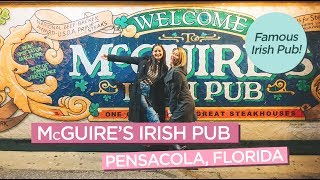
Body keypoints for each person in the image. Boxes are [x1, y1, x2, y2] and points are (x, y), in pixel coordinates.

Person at [101, 44, 168, 124]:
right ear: (152, 53)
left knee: (148, 117)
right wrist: (110, 57)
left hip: (152, 94)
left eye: (159, 51)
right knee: (151, 116)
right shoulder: (145, 61)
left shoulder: (164, 68)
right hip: (141, 91)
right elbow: (128, 59)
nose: (157, 53)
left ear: (163, 52)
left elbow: (162, 86)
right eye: (155, 51)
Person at [164, 47, 197, 150]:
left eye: (177, 55)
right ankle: (183, 156)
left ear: (181, 58)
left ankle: (180, 151)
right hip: (184, 103)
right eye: (173, 53)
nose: (173, 56)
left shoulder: (177, 72)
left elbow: (175, 93)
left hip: (185, 103)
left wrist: (171, 110)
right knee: (182, 131)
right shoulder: (174, 69)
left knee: (171, 127)